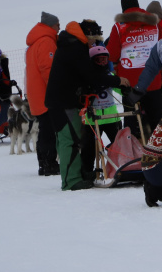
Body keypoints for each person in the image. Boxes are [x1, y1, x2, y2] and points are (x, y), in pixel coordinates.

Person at [46, 21, 130, 191]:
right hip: (63, 103)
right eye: (94, 40)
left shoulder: (72, 44)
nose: (94, 44)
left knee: (75, 138)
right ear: (88, 35)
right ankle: (71, 180)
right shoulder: (75, 48)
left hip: (64, 101)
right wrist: (117, 80)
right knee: (69, 140)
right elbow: (91, 76)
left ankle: (80, 173)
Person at [106, 0, 162, 139]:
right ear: (138, 6)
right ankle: (161, 152)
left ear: (123, 8)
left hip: (130, 83)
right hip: (153, 81)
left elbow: (111, 54)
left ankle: (134, 155)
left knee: (132, 121)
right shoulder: (154, 24)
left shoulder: (119, 27)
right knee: (157, 120)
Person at [25, 12, 60, 175]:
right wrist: (55, 90)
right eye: (58, 24)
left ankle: (44, 163)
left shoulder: (34, 43)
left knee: (44, 130)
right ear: (51, 25)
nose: (59, 27)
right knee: (49, 131)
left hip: (36, 93)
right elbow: (48, 69)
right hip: (46, 94)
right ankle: (49, 164)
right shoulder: (46, 41)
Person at [80, 46, 122, 177]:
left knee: (118, 147)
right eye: (99, 60)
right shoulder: (88, 78)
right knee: (88, 148)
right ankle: (87, 172)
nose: (103, 63)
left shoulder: (111, 76)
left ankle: (120, 168)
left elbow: (120, 90)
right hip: (92, 119)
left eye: (105, 60)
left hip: (112, 117)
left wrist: (125, 88)